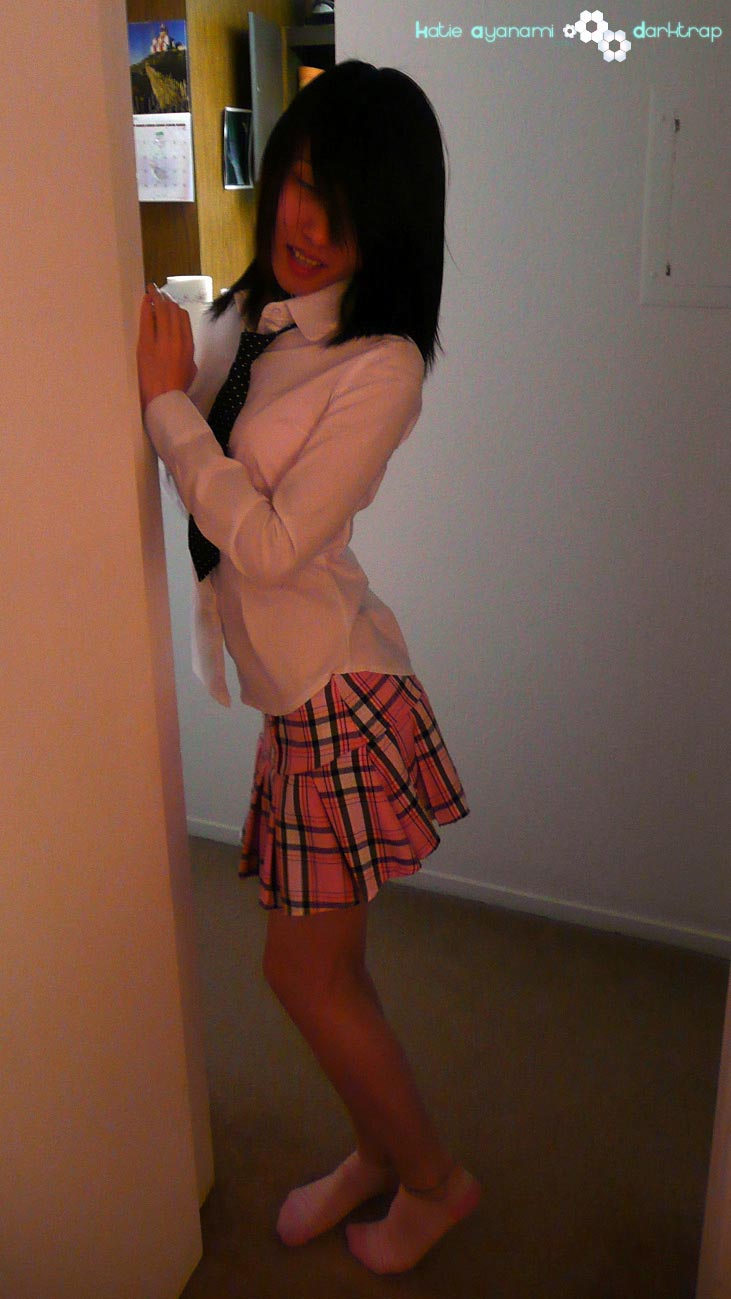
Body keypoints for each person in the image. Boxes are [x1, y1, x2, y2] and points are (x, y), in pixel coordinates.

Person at [137, 59, 480, 1275]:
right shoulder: (252, 319)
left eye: (347, 206)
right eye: (301, 180)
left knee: (299, 974)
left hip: (340, 695)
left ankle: (433, 1182)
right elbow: (181, 404)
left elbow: (275, 545)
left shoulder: (378, 365)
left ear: (391, 228)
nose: (311, 223)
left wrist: (168, 412)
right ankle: (380, 1155)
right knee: (332, 972)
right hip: (302, 704)